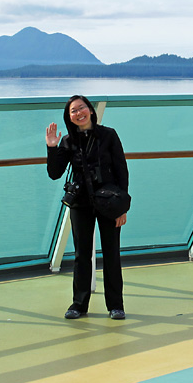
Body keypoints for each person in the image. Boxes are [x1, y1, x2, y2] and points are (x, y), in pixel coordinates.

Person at [46, 95, 129, 320]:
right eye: (73, 111)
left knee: (112, 253)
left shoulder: (109, 135)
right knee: (81, 255)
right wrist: (52, 147)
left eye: (81, 108)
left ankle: (116, 305)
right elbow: (54, 173)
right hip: (81, 203)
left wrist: (122, 208)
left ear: (91, 110)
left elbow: (121, 171)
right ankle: (79, 305)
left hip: (109, 202)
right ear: (69, 117)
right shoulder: (68, 141)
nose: (78, 113)